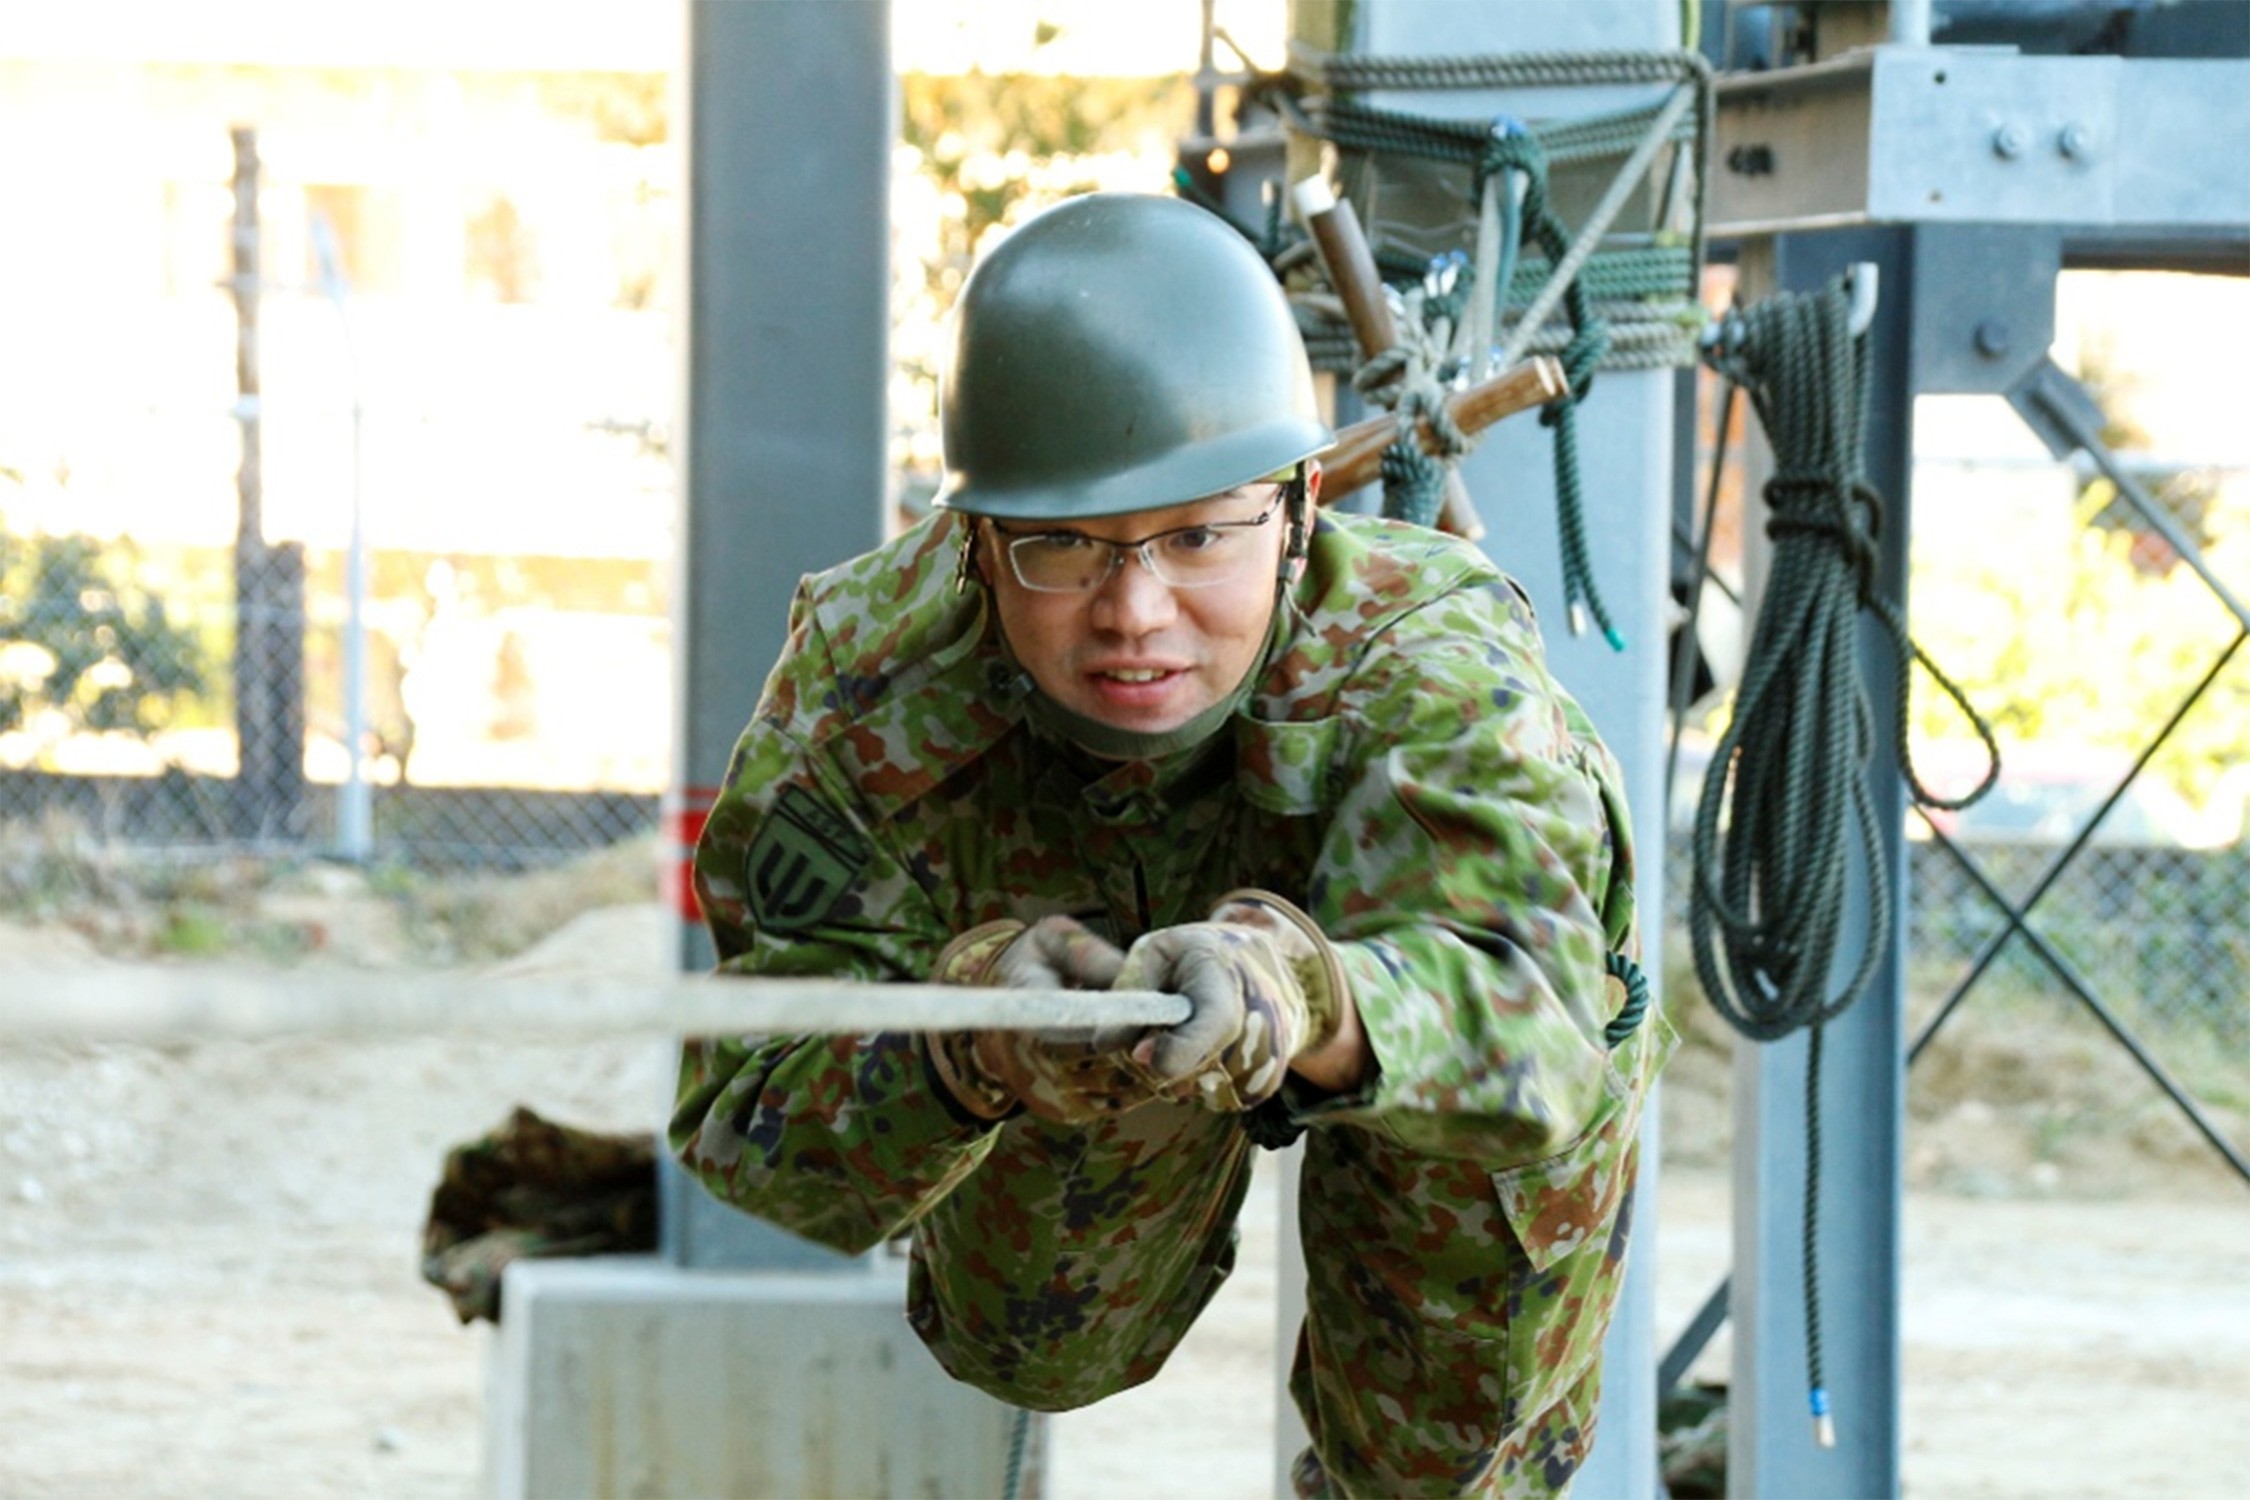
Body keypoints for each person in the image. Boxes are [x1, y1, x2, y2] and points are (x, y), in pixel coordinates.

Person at [670, 190, 1672, 1497]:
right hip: (1076, 1016)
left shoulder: (1424, 656)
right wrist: (971, 1042)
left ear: (1298, 508)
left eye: (1199, 534)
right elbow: (748, 1119)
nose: (1133, 612)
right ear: (974, 541)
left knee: (1441, 1456)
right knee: (1037, 1344)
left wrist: (1301, 997)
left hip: (1402, 1006)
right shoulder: (868, 684)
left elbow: (1536, 1041)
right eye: (1062, 547)